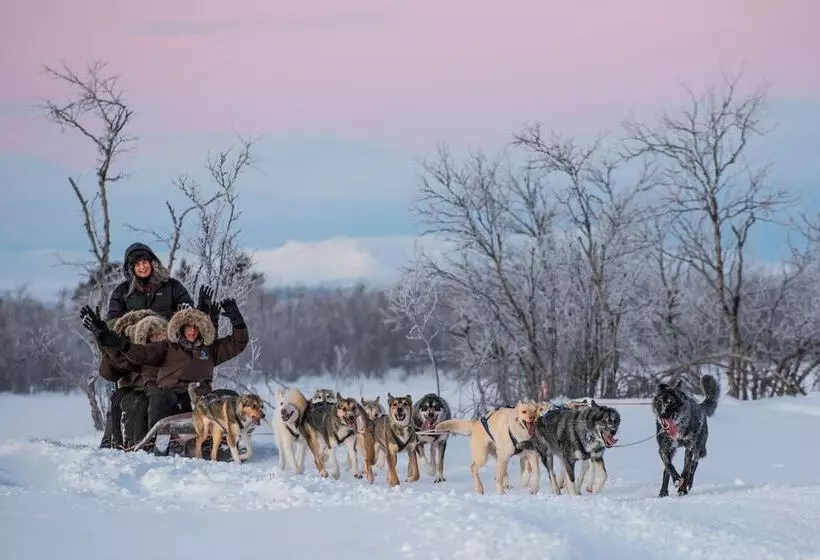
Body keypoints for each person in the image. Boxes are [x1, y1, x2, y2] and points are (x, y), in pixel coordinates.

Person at [82, 297, 249, 429]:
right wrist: (119, 343)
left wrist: (238, 323)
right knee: (159, 397)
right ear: (181, 328)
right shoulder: (168, 346)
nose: (192, 331)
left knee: (228, 396)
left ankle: (231, 436)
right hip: (171, 395)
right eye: (188, 327)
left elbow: (237, 343)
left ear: (201, 329)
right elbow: (141, 353)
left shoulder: (209, 349)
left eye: (195, 327)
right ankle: (160, 439)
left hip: (200, 396)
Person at [106, 242, 194, 321]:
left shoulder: (172, 286)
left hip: (167, 333)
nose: (142, 267)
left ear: (152, 263)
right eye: (137, 264)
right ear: (132, 269)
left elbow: (189, 310)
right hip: (135, 334)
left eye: (144, 262)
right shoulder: (122, 291)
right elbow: (112, 320)